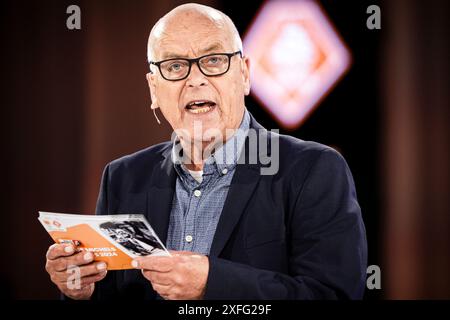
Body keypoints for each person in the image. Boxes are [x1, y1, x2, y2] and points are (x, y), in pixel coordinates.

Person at [45, 3, 367, 300]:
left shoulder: (314, 170)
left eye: (213, 60)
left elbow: (333, 295)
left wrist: (212, 283)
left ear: (244, 74)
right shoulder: (123, 178)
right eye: (174, 66)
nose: (195, 79)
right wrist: (80, 290)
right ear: (154, 89)